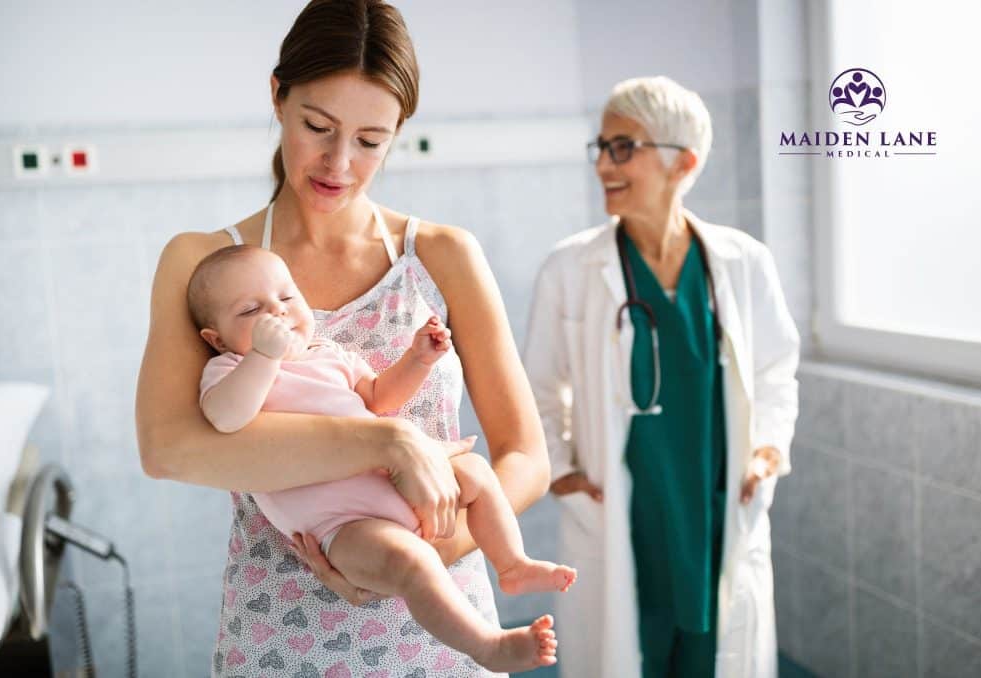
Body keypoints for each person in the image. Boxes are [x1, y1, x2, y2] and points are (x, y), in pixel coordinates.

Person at [135, 1, 551, 675]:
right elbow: (171, 450)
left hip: (440, 632)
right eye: (318, 126)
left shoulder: (443, 255)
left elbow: (525, 458)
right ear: (277, 97)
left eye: (370, 140)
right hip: (278, 627)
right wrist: (385, 440)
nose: (339, 163)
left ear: (398, 133)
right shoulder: (202, 262)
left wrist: (416, 559)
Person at [523, 75, 800, 678]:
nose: (604, 164)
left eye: (624, 147)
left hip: (716, 502)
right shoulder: (570, 268)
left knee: (715, 651)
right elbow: (537, 387)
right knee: (629, 649)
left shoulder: (743, 263)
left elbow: (778, 368)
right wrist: (563, 471)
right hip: (625, 509)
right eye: (601, 147)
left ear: (684, 162)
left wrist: (768, 449)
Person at [186, 244, 572, 672]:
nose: (276, 313)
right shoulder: (229, 370)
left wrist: (417, 359)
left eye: (287, 297)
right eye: (251, 310)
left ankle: (512, 564)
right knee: (411, 562)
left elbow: (379, 397)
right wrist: (262, 356)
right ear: (216, 338)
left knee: (476, 471)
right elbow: (225, 418)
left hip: (402, 485)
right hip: (343, 526)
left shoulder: (328, 354)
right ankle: (487, 646)